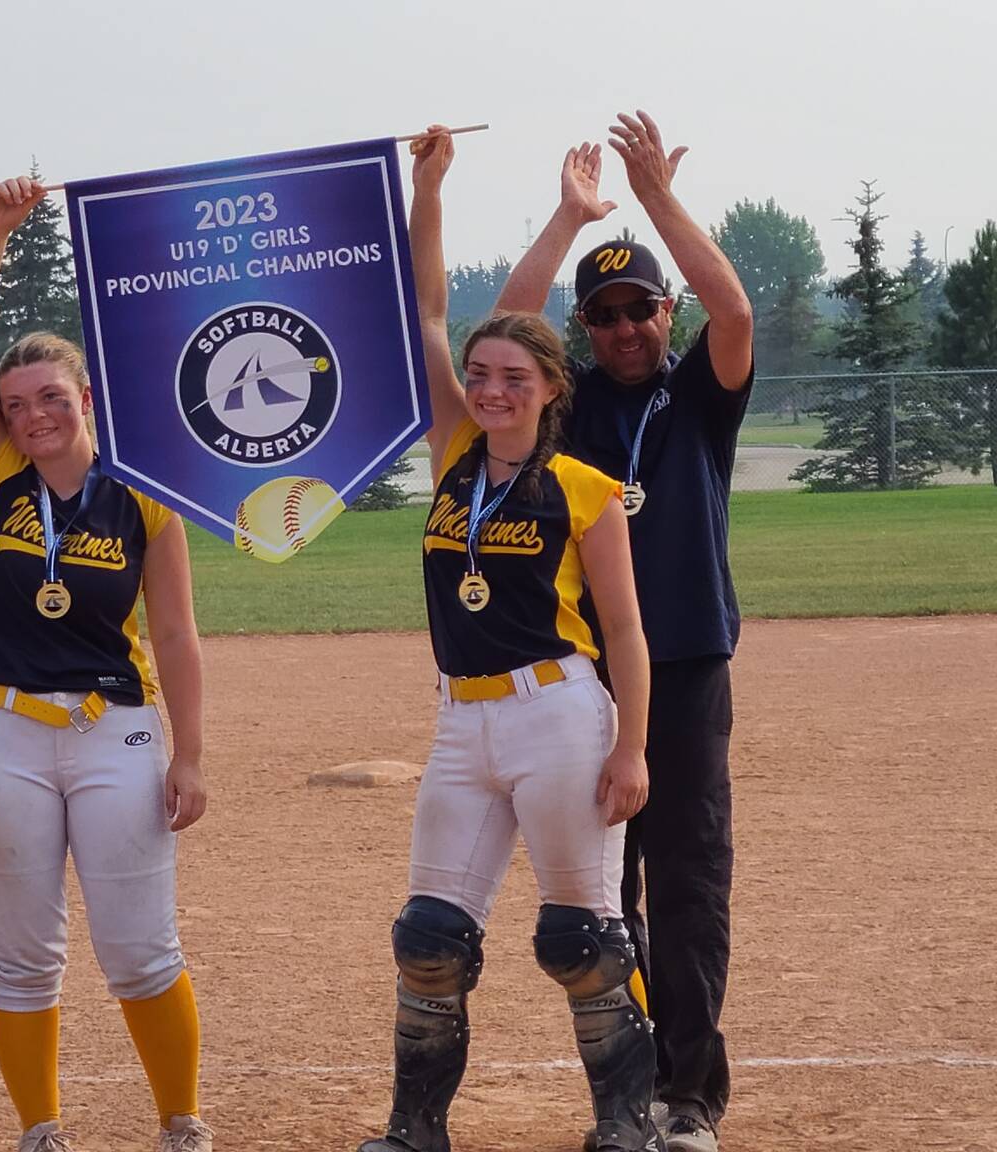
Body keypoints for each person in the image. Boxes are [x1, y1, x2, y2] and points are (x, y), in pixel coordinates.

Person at [358, 126, 660, 1152]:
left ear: (547, 391)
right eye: (479, 377)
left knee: (581, 937)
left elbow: (622, 628)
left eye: (512, 380)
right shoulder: (451, 457)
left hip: (558, 717)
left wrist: (630, 748)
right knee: (428, 940)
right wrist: (428, 186)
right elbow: (427, 307)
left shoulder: (581, 491)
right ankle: (413, 1130)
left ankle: (627, 1124)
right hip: (459, 725)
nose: (489, 390)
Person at [494, 111, 754, 1152]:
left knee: (686, 884)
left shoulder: (697, 395)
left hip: (683, 667)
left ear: (664, 310)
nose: (620, 330)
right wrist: (568, 218)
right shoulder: (563, 407)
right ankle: (630, 1085)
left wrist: (655, 201)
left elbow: (731, 310)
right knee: (600, 897)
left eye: (637, 309)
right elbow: (502, 340)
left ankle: (688, 1097)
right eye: (599, 316)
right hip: (575, 679)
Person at [0, 176, 213, 1152]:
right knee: (21, 956)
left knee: (139, 950)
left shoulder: (142, 494)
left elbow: (175, 636)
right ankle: (41, 1131)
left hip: (115, 732)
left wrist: (187, 755)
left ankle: (180, 1124)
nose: (33, 415)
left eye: (50, 397)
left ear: (85, 397)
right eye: (15, 405)